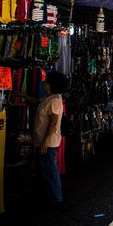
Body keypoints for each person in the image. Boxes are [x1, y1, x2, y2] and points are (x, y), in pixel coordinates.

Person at [32, 71, 67, 206]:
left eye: (46, 81)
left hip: (49, 142)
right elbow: (36, 101)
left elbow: (53, 123)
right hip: (43, 141)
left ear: (51, 84)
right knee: (46, 170)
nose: (44, 83)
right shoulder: (49, 98)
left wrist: (45, 141)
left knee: (50, 171)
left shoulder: (55, 101)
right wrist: (23, 96)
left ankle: (55, 199)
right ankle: (50, 196)